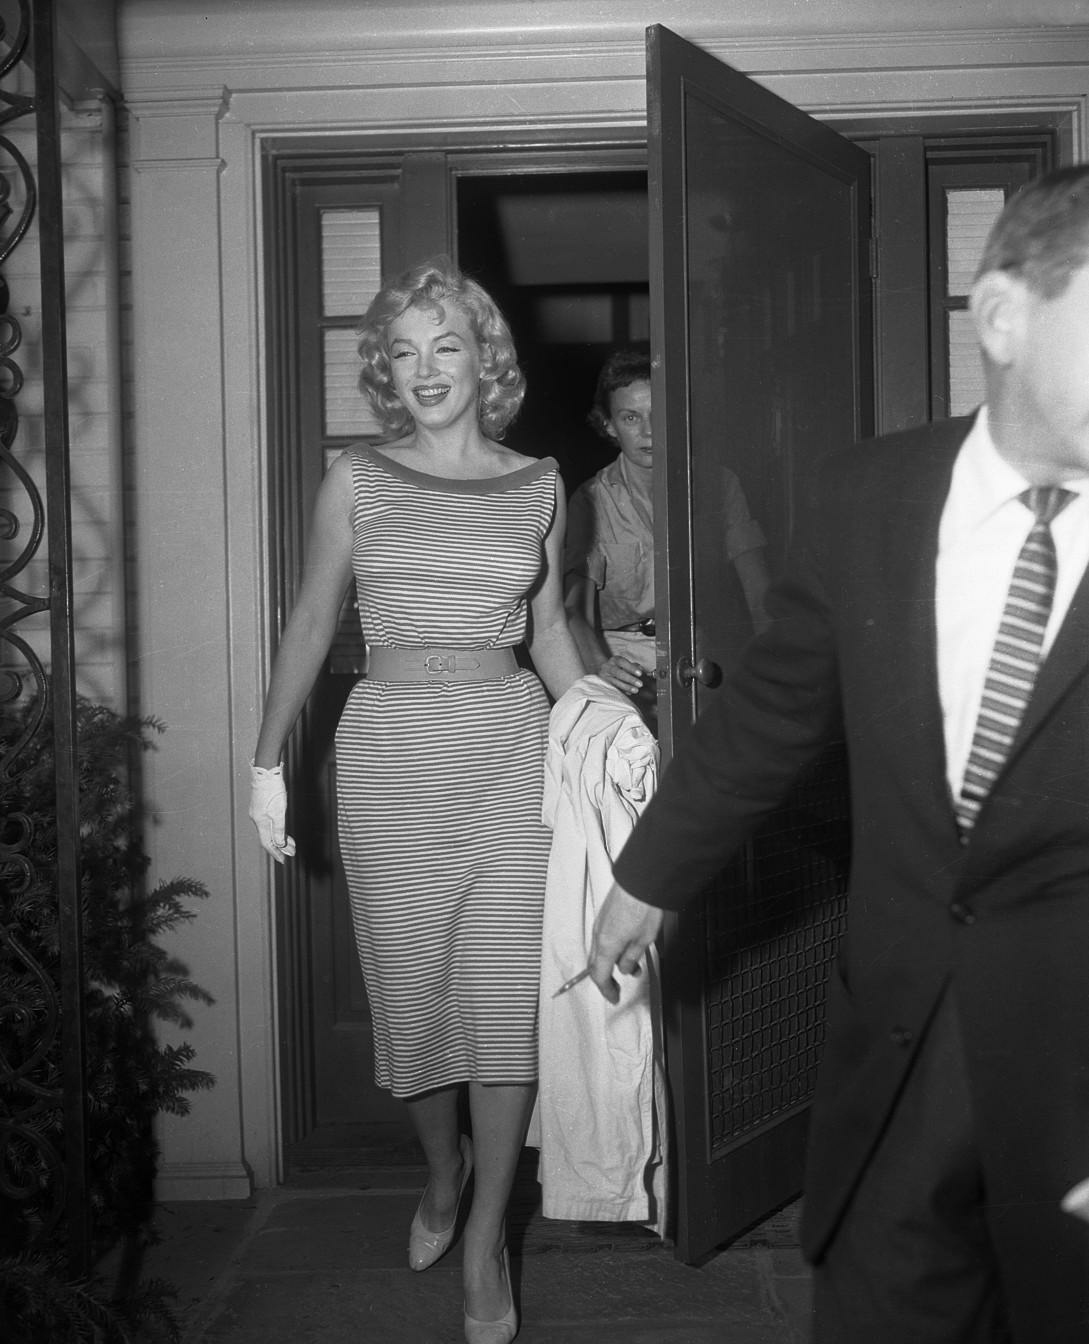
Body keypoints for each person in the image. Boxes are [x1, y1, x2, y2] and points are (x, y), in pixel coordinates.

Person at [587, 165, 1089, 1343]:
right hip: (901, 1047)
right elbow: (771, 714)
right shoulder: (868, 497)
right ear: (1004, 316)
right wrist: (648, 877)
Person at [248, 257, 583, 1344]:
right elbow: (312, 619)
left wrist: (603, 724)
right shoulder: (357, 478)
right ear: (385, 372)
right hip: (391, 756)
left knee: (503, 1007)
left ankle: (486, 1239)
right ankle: (443, 1171)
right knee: (413, 999)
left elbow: (548, 631)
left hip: (509, 752)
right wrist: (266, 760)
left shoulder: (540, 484)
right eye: (404, 351)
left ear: (486, 360)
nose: (427, 368)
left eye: (448, 345)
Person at [564, 346, 770, 722]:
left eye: (657, 414)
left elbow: (759, 592)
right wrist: (601, 666)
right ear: (608, 425)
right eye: (630, 417)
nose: (648, 431)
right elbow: (574, 611)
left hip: (702, 659)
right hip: (624, 666)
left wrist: (771, 670)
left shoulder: (720, 485)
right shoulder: (590, 500)